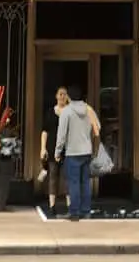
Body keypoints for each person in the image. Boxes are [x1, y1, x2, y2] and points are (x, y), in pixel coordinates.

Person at [54, 84, 99, 221]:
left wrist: (57, 151)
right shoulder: (88, 109)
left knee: (73, 183)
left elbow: (61, 134)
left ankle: (74, 212)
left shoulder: (66, 111)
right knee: (85, 182)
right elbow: (98, 126)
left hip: (72, 152)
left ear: (69, 96)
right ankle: (86, 211)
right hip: (86, 151)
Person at [39, 86, 71, 217]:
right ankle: (52, 205)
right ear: (56, 96)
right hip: (52, 148)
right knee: (53, 177)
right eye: (60, 94)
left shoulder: (70, 113)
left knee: (68, 177)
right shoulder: (50, 112)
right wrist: (43, 148)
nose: (62, 97)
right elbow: (45, 131)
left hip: (67, 150)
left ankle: (70, 206)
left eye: (64, 94)